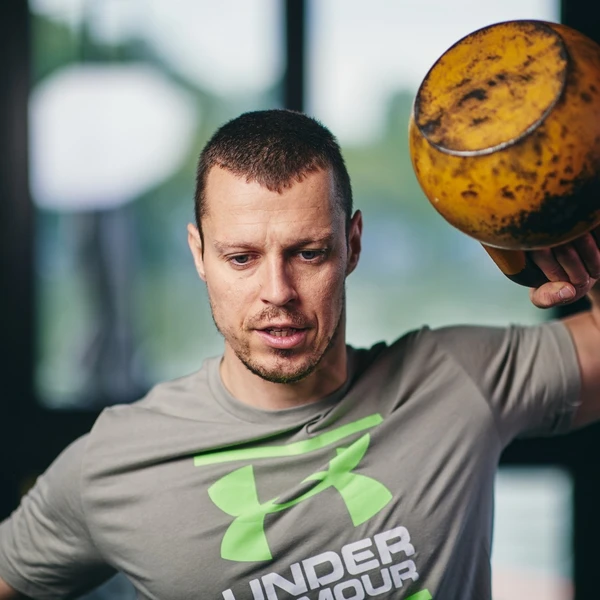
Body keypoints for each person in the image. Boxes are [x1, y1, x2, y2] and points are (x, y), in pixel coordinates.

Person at [0, 109, 599, 600]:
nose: (277, 293)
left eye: (308, 253)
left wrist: (588, 251)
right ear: (199, 254)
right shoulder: (113, 464)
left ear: (352, 245)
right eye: (241, 258)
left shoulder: (458, 376)